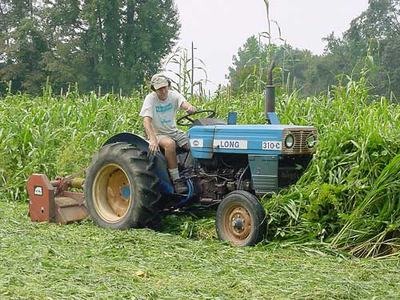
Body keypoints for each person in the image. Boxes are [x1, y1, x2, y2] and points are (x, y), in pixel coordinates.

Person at [139, 73, 196, 193]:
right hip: (158, 134)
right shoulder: (151, 99)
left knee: (195, 145)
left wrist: (189, 107)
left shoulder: (174, 95)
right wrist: (153, 139)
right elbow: (146, 121)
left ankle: (193, 173)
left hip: (174, 131)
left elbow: (183, 103)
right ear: (154, 89)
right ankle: (176, 180)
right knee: (170, 144)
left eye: (165, 87)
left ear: (168, 86)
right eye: (159, 89)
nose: (163, 91)